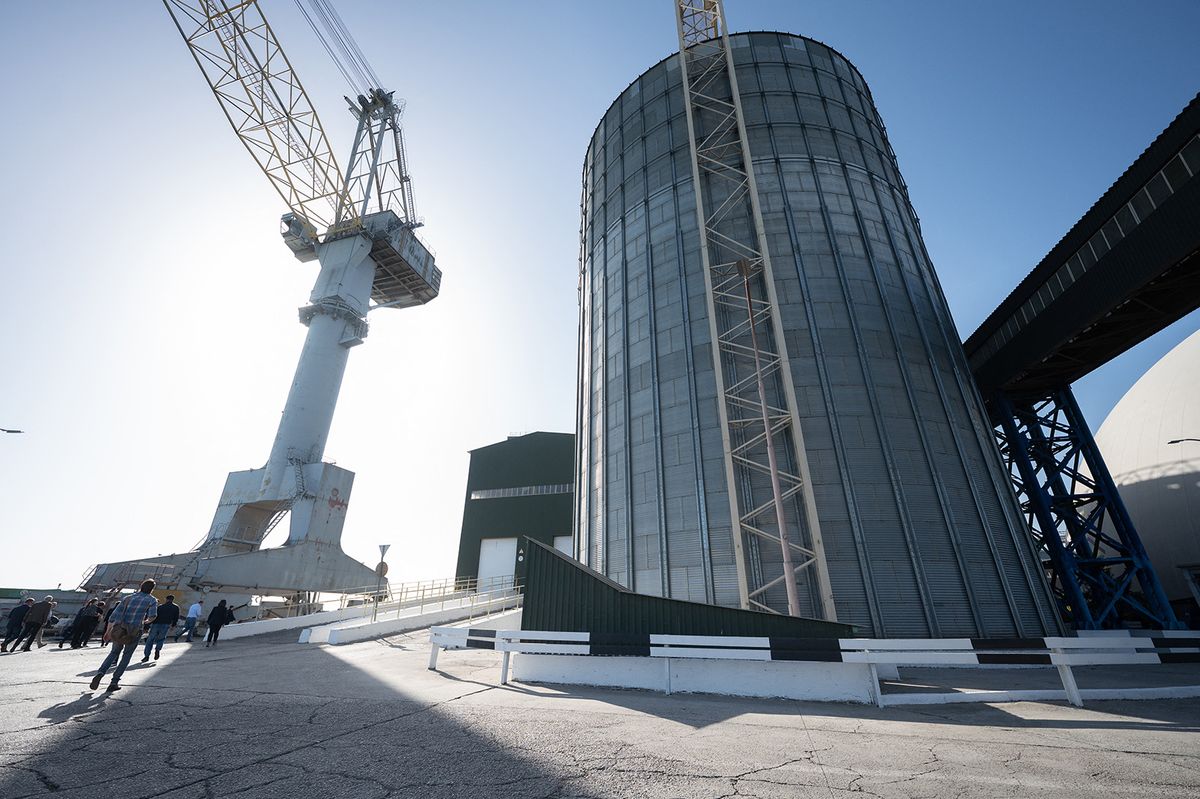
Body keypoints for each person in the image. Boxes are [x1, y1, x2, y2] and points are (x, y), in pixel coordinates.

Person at [89, 580, 158, 692]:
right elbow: (152, 616)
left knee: (114, 653)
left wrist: (107, 632)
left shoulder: (128, 598)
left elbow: (114, 616)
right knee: (126, 656)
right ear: (152, 589)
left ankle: (100, 673)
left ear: (141, 586)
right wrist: (145, 621)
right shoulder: (152, 600)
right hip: (134, 631)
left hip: (119, 629)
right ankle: (114, 682)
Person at [141, 595, 179, 662]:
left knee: (150, 640)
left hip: (156, 624)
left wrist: (147, 626)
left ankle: (146, 656)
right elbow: (176, 617)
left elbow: (153, 616)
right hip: (166, 624)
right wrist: (173, 625)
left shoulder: (160, 607)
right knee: (161, 639)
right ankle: (157, 650)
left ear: (166, 599)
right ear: (173, 599)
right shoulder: (176, 607)